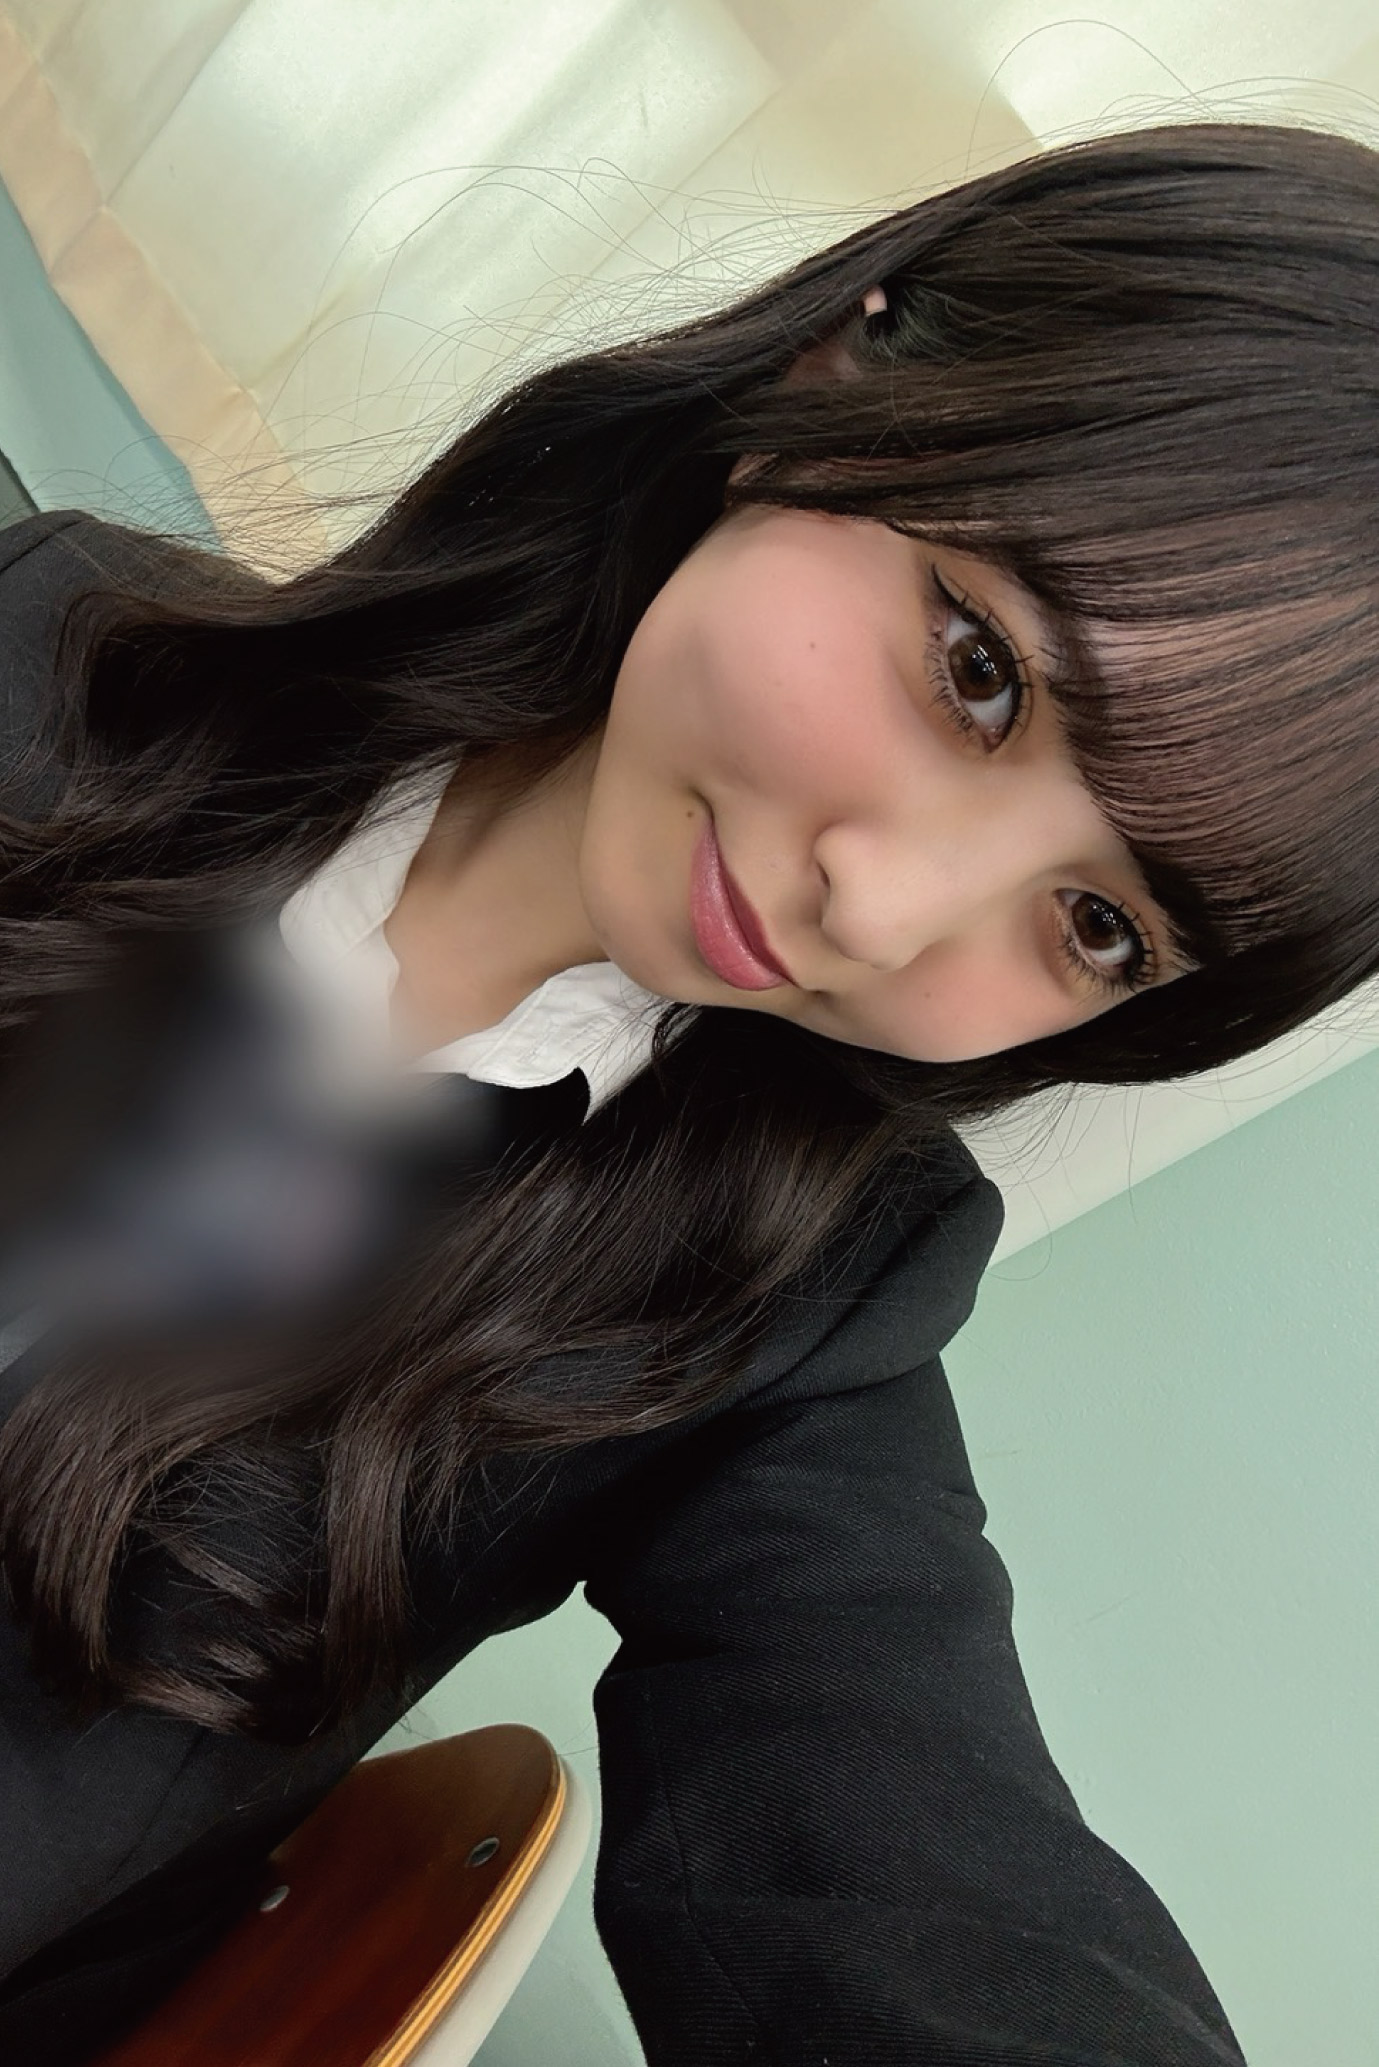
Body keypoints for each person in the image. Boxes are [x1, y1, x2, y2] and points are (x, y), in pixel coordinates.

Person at [0, 114, 1374, 2063]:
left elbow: (908, 1844)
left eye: (1097, 926)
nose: (882, 909)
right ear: (843, 373)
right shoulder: (62, 643)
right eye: (981, 673)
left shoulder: (788, 1307)